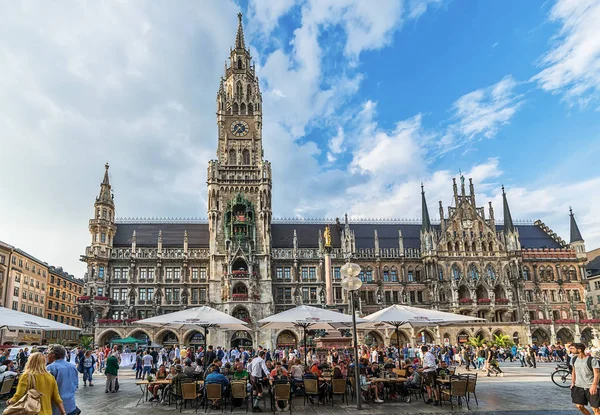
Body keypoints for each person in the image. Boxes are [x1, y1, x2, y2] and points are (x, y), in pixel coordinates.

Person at [47, 344, 79, 415]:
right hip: (71, 405)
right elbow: (76, 385)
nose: (47, 356)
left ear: (53, 355)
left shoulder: (50, 368)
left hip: (56, 408)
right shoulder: (72, 367)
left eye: (48, 353)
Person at [570, 343, 600, 415]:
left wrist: (594, 385)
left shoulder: (592, 360)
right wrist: (573, 382)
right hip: (578, 386)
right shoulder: (573, 359)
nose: (571, 350)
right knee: (579, 406)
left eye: (573, 348)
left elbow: (597, 374)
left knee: (595, 409)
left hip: (590, 386)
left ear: (579, 350)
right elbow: (574, 371)